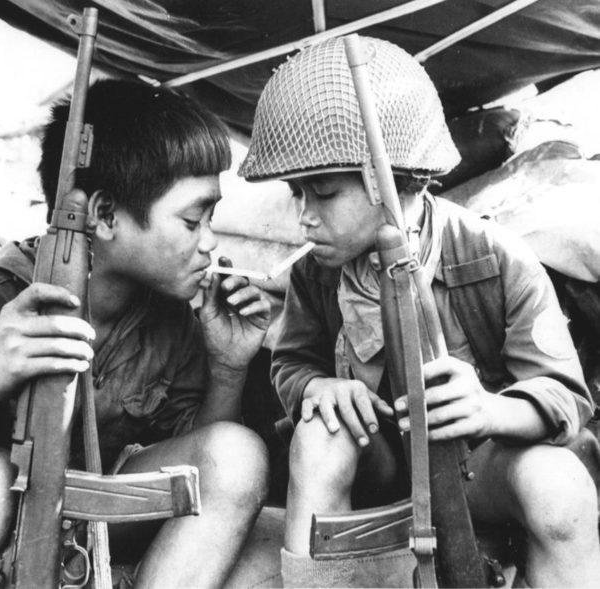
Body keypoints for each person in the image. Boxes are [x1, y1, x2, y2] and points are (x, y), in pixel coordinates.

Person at [0, 79, 271, 588]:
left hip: (78, 523)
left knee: (238, 454)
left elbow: (198, 478)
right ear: (105, 216)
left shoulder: (173, 319)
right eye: (193, 220)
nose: (210, 242)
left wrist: (229, 367)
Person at [238, 36, 600, 587]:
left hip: (480, 466)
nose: (304, 217)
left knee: (560, 488)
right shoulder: (316, 274)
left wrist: (488, 409)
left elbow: (565, 394)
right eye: (297, 194)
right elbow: (290, 364)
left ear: (390, 179)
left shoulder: (496, 256)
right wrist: (318, 389)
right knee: (318, 433)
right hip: (381, 467)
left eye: (325, 194)